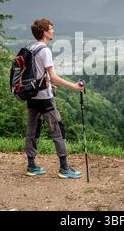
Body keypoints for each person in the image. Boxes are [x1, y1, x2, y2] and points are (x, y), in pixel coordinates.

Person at [25, 18, 85, 179]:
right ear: (44, 32)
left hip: (32, 95)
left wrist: (49, 83)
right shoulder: (45, 50)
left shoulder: (30, 48)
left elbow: (38, 74)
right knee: (58, 129)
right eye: (51, 29)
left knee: (33, 129)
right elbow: (53, 76)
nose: (53, 31)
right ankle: (64, 169)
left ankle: (31, 165)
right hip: (45, 98)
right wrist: (74, 86)